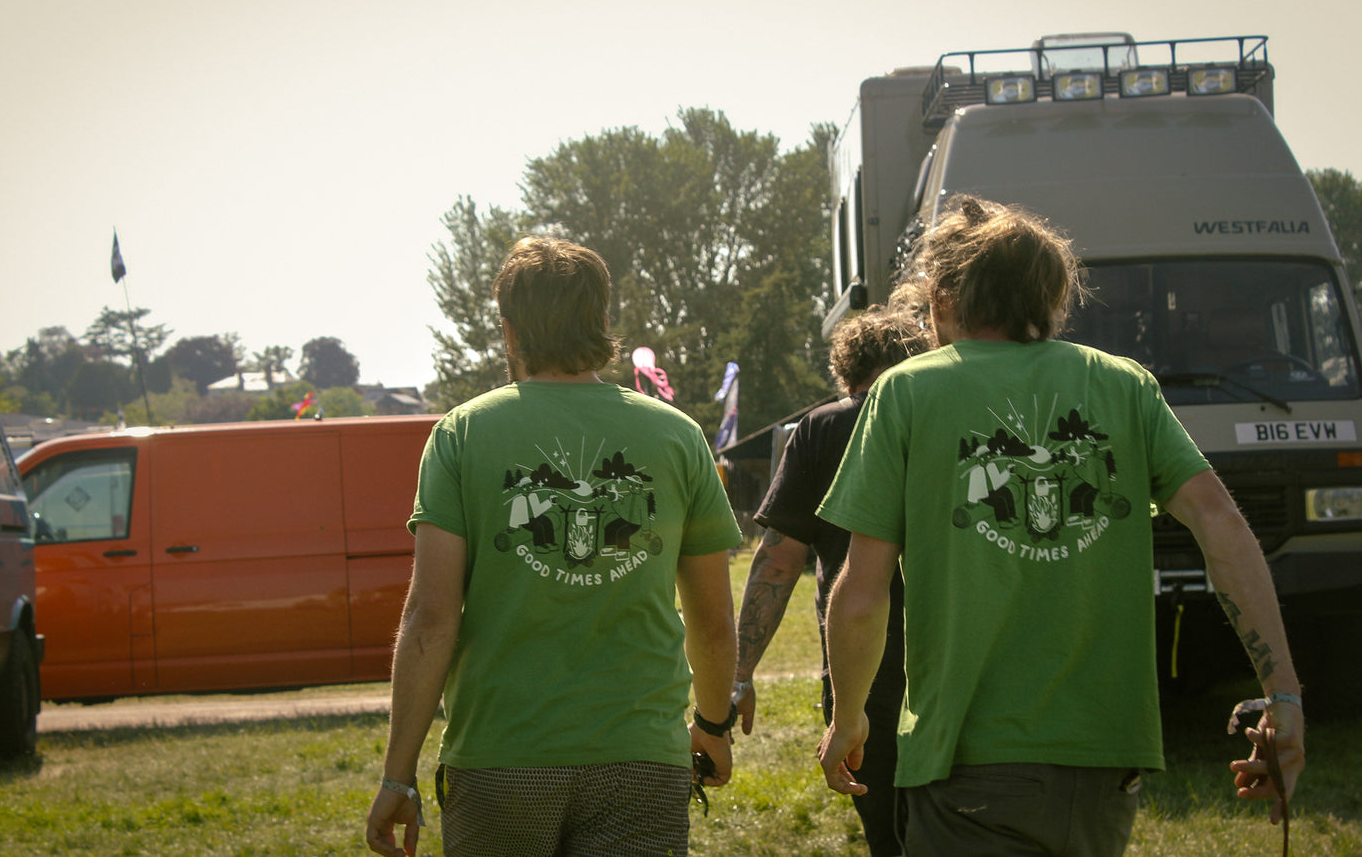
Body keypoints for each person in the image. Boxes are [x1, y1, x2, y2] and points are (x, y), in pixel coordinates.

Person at [816, 197, 1305, 857]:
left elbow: (861, 591)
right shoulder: (1124, 385)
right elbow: (1220, 524)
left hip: (967, 761)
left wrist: (846, 719)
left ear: (939, 298)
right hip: (1107, 763)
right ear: (1050, 297)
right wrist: (1282, 693)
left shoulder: (905, 392)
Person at [365, 236, 741, 857]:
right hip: (642, 755)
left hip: (500, 758)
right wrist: (712, 724)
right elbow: (713, 618)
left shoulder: (461, 435)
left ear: (509, 332)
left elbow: (431, 618)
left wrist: (397, 774)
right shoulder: (677, 436)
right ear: (601, 322)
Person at [732, 305, 931, 856]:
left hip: (858, 675)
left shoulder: (824, 426)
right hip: (958, 661)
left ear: (845, 371)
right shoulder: (948, 413)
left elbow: (778, 562)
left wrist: (739, 673)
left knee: (890, 835)